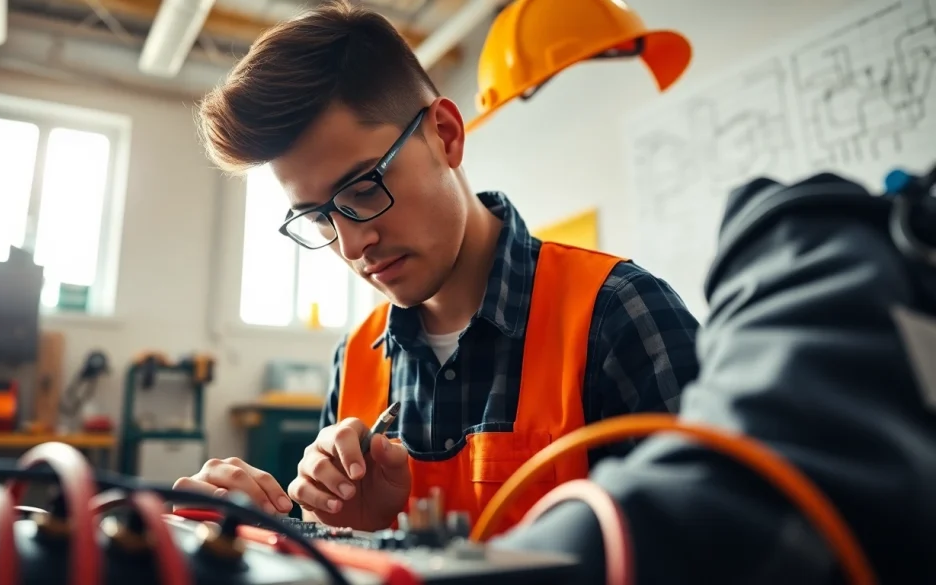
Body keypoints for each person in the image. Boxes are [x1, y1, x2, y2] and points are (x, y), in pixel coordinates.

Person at [174, 0, 700, 533]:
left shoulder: (620, 314)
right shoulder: (356, 358)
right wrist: (299, 527)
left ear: (446, 135)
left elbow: (727, 550)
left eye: (362, 188)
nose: (354, 245)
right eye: (317, 218)